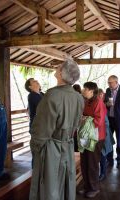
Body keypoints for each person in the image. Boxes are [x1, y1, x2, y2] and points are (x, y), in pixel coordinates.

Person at [29, 59, 84, 200]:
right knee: (66, 182)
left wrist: (35, 148)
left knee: (50, 186)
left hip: (51, 147)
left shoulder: (52, 96)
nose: (57, 67)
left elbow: (41, 129)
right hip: (68, 144)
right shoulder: (78, 97)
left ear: (61, 73)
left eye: (59, 67)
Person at [78, 82, 106, 198]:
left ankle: (94, 188)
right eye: (84, 88)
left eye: (86, 89)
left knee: (92, 163)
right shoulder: (86, 101)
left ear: (92, 91)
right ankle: (86, 187)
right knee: (84, 162)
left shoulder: (98, 102)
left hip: (96, 137)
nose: (83, 90)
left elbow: (98, 121)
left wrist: (84, 119)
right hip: (85, 136)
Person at [104, 75, 120, 167]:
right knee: (108, 139)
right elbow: (105, 103)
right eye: (108, 82)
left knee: (119, 138)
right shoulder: (107, 90)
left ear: (116, 82)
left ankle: (119, 157)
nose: (109, 84)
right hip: (109, 118)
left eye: (111, 82)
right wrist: (107, 104)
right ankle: (109, 159)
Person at [98, 89, 114, 181]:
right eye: (99, 94)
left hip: (103, 132)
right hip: (102, 132)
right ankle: (103, 171)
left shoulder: (102, 105)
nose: (101, 96)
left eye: (102, 95)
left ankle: (103, 173)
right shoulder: (100, 104)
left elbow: (105, 122)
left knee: (103, 153)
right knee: (103, 152)